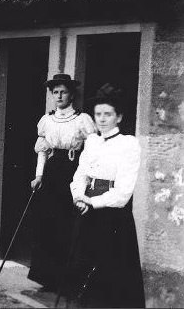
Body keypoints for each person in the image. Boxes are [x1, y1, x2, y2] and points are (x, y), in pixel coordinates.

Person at [61, 90, 144, 307]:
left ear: (119, 117)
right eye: (98, 114)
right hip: (85, 209)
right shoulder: (92, 142)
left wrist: (93, 202)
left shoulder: (129, 144)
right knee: (81, 264)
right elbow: (80, 174)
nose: (102, 119)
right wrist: (79, 196)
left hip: (112, 215)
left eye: (108, 114)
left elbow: (124, 191)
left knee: (109, 270)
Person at [28, 74, 96, 291]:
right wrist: (39, 175)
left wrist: (90, 178)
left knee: (69, 223)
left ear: (71, 94)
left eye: (63, 91)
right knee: (49, 222)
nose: (59, 96)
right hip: (52, 172)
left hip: (74, 170)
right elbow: (43, 151)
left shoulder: (82, 119)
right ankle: (48, 277)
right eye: (55, 92)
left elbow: (94, 150)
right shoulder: (47, 120)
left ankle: (69, 282)